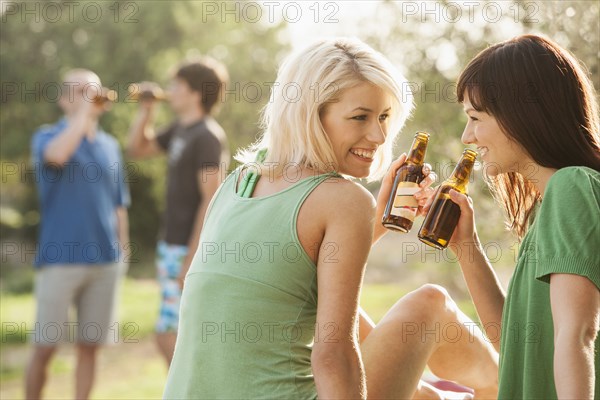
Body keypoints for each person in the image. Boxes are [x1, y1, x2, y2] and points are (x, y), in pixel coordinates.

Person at [163, 37, 498, 399]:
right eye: (360, 117)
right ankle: (510, 385)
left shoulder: (238, 183)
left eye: (385, 117)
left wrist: (379, 223)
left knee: (366, 332)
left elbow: (296, 284)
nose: (379, 135)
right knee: (431, 305)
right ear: (311, 115)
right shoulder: (343, 199)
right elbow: (332, 355)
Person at [446, 34, 600, 399]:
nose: (468, 135)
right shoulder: (548, 209)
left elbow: (577, 335)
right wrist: (465, 246)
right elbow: (514, 342)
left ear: (521, 116)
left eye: (475, 118)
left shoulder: (572, 187)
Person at [26, 69, 130, 400]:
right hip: (60, 260)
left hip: (105, 262)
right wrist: (83, 114)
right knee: (45, 347)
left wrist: (123, 253)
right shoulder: (46, 137)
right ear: (64, 98)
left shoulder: (110, 146)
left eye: (94, 91)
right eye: (82, 91)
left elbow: (119, 204)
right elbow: (58, 155)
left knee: (90, 347)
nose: (91, 96)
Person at [127, 58, 230, 366]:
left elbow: (211, 200)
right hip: (171, 246)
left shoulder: (207, 137)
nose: (170, 91)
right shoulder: (181, 130)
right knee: (176, 335)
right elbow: (137, 149)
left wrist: (192, 257)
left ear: (195, 93)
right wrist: (146, 111)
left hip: (188, 250)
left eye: (177, 86)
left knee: (168, 336)